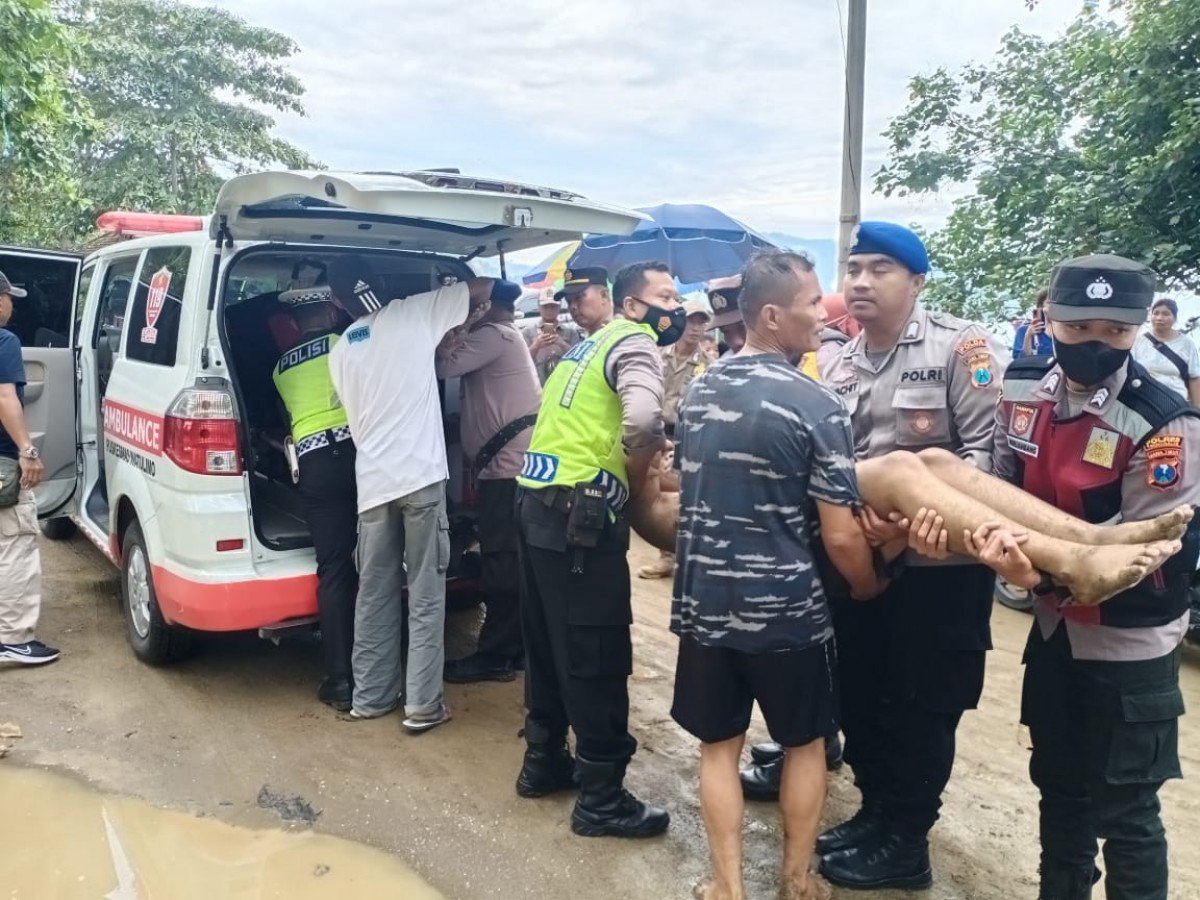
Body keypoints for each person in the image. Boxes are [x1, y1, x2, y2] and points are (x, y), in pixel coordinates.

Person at [674, 250, 924, 900]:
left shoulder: (701, 389)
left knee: (719, 749)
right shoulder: (816, 404)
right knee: (806, 745)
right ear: (772, 314)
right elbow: (840, 532)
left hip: (705, 609)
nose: (826, 312)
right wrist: (870, 584)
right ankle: (795, 877)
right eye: (814, 304)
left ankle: (726, 885)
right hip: (788, 614)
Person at [992, 254, 1200, 900]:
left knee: (1128, 814)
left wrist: (1032, 573)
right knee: (1060, 791)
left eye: (1115, 330)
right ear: (1050, 319)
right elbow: (1001, 480)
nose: (1096, 343)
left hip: (1126, 642)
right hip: (1057, 633)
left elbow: (1147, 554)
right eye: (1080, 327)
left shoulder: (1163, 421)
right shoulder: (1022, 386)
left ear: (1139, 328)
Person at [813, 222, 1010, 891]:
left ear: (917, 280)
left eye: (881, 269)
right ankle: (876, 814)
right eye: (854, 268)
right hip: (862, 564)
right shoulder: (837, 361)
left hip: (940, 567)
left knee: (926, 704)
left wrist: (906, 520)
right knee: (864, 694)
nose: (862, 281)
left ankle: (907, 838)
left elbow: (992, 459)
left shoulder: (964, 347)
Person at [513, 260, 686, 839]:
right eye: (665, 294)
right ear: (632, 305)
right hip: (579, 519)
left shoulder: (584, 349)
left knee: (547, 642)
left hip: (537, 504)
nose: (676, 305)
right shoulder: (635, 341)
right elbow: (642, 421)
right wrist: (642, 480)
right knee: (596, 652)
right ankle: (602, 799)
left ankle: (543, 762)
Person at [327, 255, 506, 734]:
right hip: (421, 479)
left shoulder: (342, 347)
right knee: (426, 594)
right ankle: (423, 706)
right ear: (384, 284)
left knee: (374, 594)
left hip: (373, 485)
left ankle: (371, 697)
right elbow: (484, 285)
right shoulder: (413, 312)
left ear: (338, 302)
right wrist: (460, 305)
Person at [436, 280, 540, 683]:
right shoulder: (507, 337)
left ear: (485, 308)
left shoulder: (494, 336)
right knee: (511, 557)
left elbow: (444, 366)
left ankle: (496, 654)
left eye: (473, 306)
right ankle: (517, 648)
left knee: (501, 560)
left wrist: (454, 330)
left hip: (508, 469)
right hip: (511, 464)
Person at [271, 285, 358, 710]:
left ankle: (340, 680)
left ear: (297, 322)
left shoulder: (280, 367)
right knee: (382, 558)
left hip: (314, 466)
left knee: (335, 568)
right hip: (360, 457)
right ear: (329, 312)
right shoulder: (343, 343)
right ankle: (383, 666)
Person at [0, 270, 57, 666]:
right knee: (15, 544)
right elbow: (4, 395)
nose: (12, 306)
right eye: (9, 298)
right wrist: (27, 450)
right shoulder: (4, 341)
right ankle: (14, 639)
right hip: (1, 460)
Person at [637, 298, 713, 581]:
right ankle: (667, 554)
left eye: (702, 322)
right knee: (654, 494)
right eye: (692, 320)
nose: (696, 328)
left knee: (683, 495)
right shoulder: (658, 355)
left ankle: (683, 555)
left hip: (686, 438)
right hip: (657, 434)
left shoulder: (708, 365)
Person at [1131, 298, 1200, 405]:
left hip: (1175, 403)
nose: (1159, 318)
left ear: (1175, 318)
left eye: (1165, 314)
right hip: (1143, 401)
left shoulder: (1186, 344)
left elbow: (1194, 378)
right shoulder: (1138, 340)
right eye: (1156, 313)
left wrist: (1197, 411)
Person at [524, 289, 582, 384]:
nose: (549, 310)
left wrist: (562, 344)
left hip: (564, 382)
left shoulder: (570, 332)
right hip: (538, 384)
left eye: (553, 306)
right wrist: (536, 346)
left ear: (559, 307)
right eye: (545, 306)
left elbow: (579, 361)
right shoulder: (528, 332)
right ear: (539, 306)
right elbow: (522, 362)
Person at [560, 267, 613, 337]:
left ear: (604, 296)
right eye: (568, 301)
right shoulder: (587, 334)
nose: (573, 306)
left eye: (578, 298)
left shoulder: (623, 333)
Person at [1013, 288, 1055, 359]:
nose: (1054, 306)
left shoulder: (1066, 330)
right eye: (1049, 303)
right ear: (1041, 307)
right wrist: (1028, 337)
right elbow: (1019, 361)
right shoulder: (1023, 330)